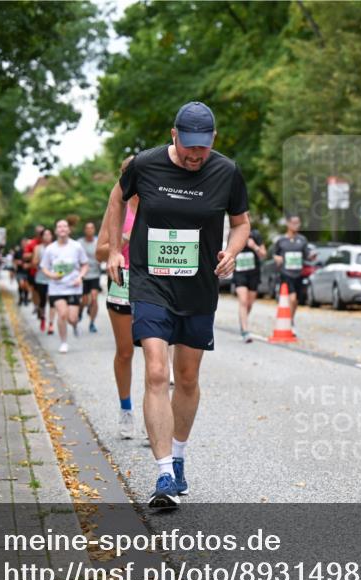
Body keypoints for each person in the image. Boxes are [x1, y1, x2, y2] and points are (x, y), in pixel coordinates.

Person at [104, 101, 250, 508]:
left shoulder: (227, 171)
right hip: (150, 282)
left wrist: (233, 250)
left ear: (213, 139)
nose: (195, 155)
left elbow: (241, 223)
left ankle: (180, 457)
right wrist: (114, 250)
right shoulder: (145, 165)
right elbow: (117, 199)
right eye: (188, 146)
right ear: (174, 135)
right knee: (156, 370)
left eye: (203, 147)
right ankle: (164, 472)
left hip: (198, 286)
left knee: (186, 377)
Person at [99, 177, 139, 439]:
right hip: (122, 283)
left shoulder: (158, 201)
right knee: (125, 352)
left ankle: (155, 418)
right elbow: (99, 252)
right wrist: (124, 239)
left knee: (157, 355)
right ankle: (126, 410)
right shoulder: (117, 208)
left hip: (154, 281)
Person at [39, 219, 89, 353]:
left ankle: (75, 325)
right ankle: (63, 342)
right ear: (56, 231)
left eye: (64, 226)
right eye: (59, 226)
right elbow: (44, 267)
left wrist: (80, 277)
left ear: (69, 230)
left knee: (72, 318)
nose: (62, 228)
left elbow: (85, 264)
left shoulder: (76, 246)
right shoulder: (50, 249)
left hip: (73, 287)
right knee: (62, 314)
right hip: (57, 288)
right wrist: (52, 275)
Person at [272, 215, 314, 335]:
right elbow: (274, 254)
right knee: (292, 298)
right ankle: (289, 323)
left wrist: (311, 256)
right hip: (286, 273)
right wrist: (277, 258)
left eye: (298, 223)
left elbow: (307, 255)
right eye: (294, 223)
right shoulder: (281, 240)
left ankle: (291, 319)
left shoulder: (302, 240)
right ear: (288, 224)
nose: (297, 225)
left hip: (299, 274)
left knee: (296, 301)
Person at [233, 225, 267, 342]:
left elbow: (263, 254)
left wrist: (255, 247)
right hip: (239, 273)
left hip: (253, 273)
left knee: (249, 304)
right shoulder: (234, 232)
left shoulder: (255, 234)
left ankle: (243, 322)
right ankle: (245, 330)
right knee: (243, 301)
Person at [79, 221, 102, 333]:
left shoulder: (98, 242)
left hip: (95, 275)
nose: (89, 230)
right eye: (87, 228)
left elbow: (103, 255)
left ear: (94, 230)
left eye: (91, 228)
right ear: (84, 230)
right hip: (83, 275)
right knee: (84, 300)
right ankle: (80, 311)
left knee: (94, 298)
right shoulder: (79, 243)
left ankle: (92, 323)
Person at [32, 228, 54, 332]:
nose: (47, 236)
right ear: (41, 237)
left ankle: (51, 324)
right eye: (45, 235)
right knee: (42, 301)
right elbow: (34, 263)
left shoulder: (55, 247)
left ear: (52, 236)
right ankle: (43, 317)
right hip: (41, 278)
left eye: (49, 234)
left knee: (52, 300)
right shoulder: (38, 248)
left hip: (52, 278)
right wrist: (43, 259)